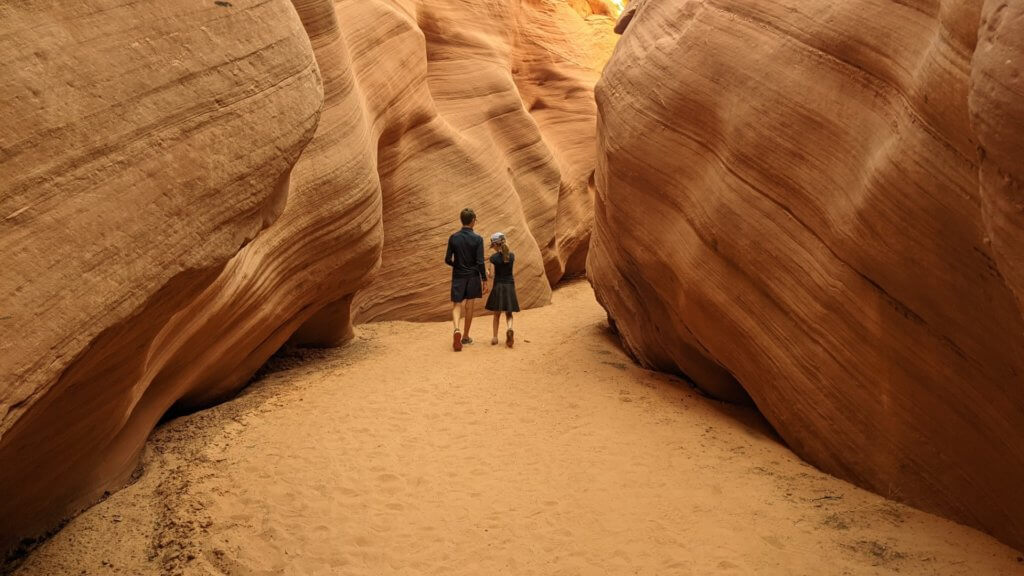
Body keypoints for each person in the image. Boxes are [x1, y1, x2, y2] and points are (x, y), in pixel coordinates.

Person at [445, 208, 488, 351]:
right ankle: (465, 337)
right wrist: (484, 279)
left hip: (458, 275)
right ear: (473, 221)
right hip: (473, 276)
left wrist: (456, 265)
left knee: (457, 305)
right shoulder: (478, 239)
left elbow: (447, 259)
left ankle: (456, 329)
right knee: (470, 306)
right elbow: (480, 261)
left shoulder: (454, 237)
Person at [484, 232, 520, 348]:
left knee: (496, 314)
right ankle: (509, 328)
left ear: (495, 244)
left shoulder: (493, 258)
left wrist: (487, 272)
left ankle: (495, 337)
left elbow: (491, 276)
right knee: (508, 312)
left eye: (493, 245)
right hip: (509, 285)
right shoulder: (512, 256)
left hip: (498, 286)